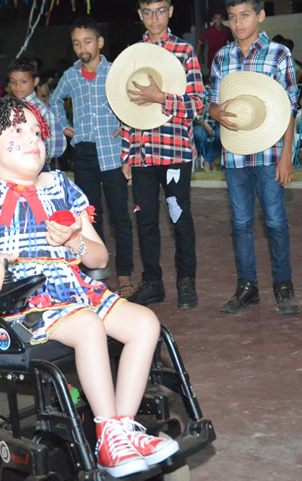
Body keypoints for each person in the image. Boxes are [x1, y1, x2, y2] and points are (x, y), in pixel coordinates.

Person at [0, 97, 179, 477]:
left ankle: (121, 430)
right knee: (88, 324)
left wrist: (74, 239)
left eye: (36, 132)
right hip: (22, 300)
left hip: (75, 289)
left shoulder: (62, 187)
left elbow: (99, 259)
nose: (32, 138)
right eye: (17, 131)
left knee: (145, 324)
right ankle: (109, 434)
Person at [209, 0, 300, 316]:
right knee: (240, 223)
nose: (238, 23)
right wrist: (215, 112)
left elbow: (290, 107)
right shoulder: (221, 57)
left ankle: (283, 285)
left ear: (260, 16)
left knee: (275, 220)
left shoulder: (279, 54)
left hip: (270, 152)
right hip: (234, 153)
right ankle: (247, 287)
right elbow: (212, 103)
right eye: (232, 17)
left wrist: (287, 155)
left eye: (245, 16)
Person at [121, 0, 205, 309]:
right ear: (139, 14)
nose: (154, 18)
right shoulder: (132, 55)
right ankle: (153, 283)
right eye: (147, 11)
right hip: (142, 154)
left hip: (174, 153)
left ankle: (186, 281)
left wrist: (161, 97)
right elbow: (125, 107)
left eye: (159, 10)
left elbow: (198, 104)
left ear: (170, 11)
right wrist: (126, 153)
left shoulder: (184, 52)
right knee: (145, 221)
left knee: (179, 218)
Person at [50, 17, 136, 296]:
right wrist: (65, 127)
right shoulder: (70, 76)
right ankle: (94, 274)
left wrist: (125, 123)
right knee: (88, 217)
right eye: (77, 43)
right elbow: (54, 100)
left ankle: (124, 275)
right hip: (84, 152)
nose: (82, 48)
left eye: (87, 42)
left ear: (99, 42)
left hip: (112, 152)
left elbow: (132, 101)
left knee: (120, 217)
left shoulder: (115, 72)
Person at [7, 57, 66, 164]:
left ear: (35, 81)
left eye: (24, 82)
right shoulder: (10, 108)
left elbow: (58, 145)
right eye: (13, 82)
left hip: (36, 165)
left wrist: (38, 153)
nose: (18, 86)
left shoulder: (41, 110)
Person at [197, 11, 232, 78]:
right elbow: (200, 43)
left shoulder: (227, 30)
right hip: (212, 61)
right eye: (216, 18)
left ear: (223, 19)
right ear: (213, 20)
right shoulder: (209, 31)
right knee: (212, 79)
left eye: (220, 18)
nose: (218, 20)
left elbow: (232, 44)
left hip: (224, 60)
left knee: (225, 79)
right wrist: (197, 58)